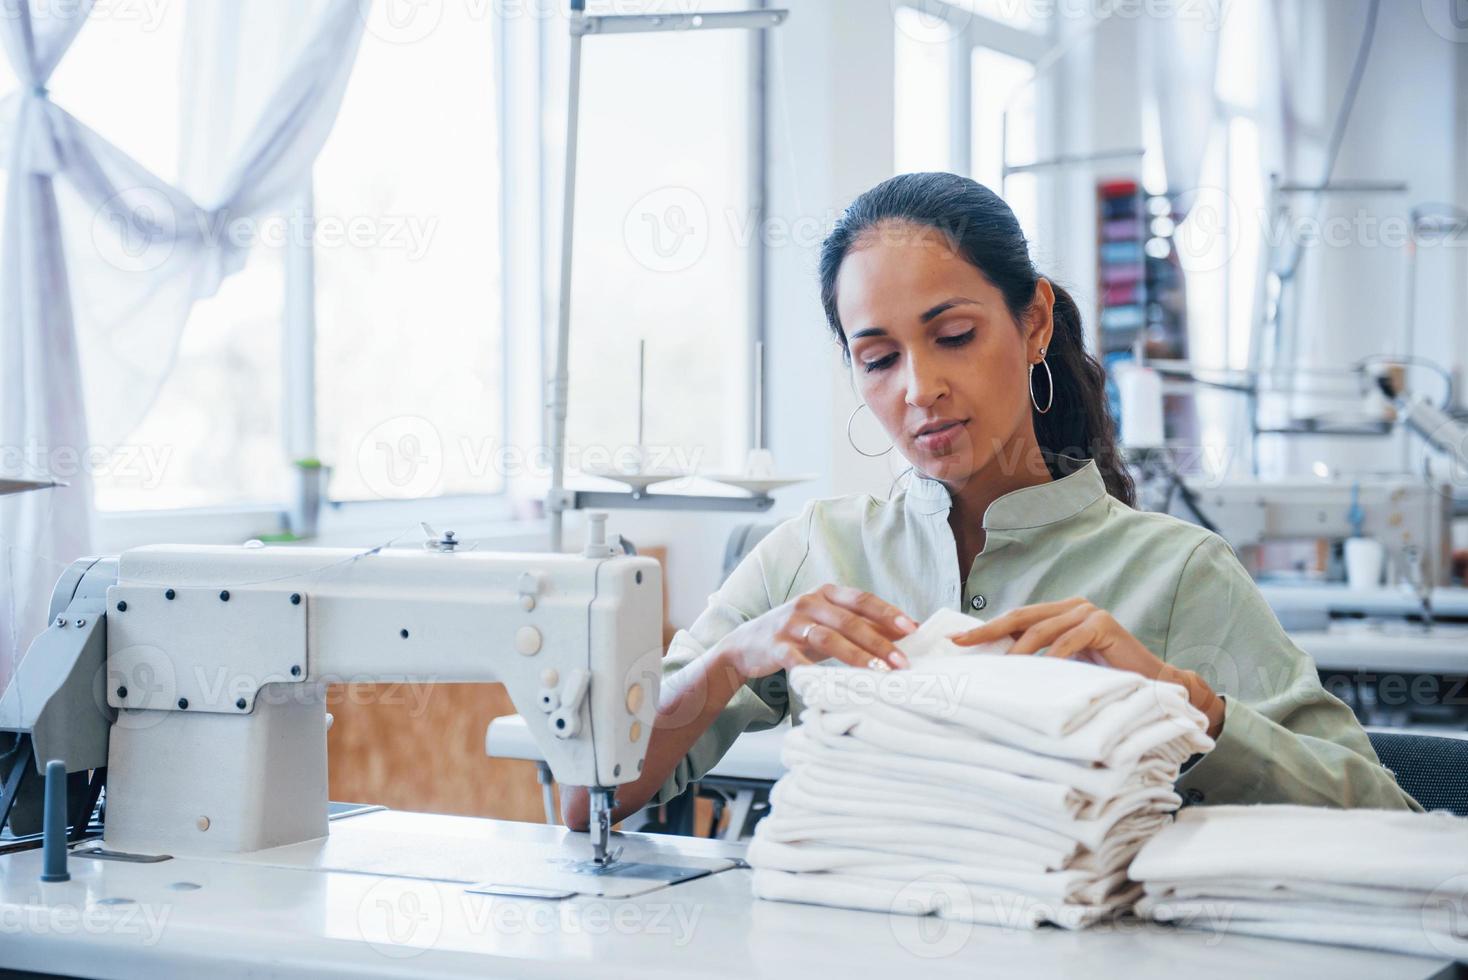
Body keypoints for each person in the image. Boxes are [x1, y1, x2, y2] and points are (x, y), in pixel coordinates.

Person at [563, 172, 1420, 831]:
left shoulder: (1177, 573)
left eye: (954, 337)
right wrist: (729, 661)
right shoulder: (810, 553)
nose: (920, 388)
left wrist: (1180, 702)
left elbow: (1390, 822)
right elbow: (585, 801)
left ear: (1035, 321)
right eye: (877, 357)